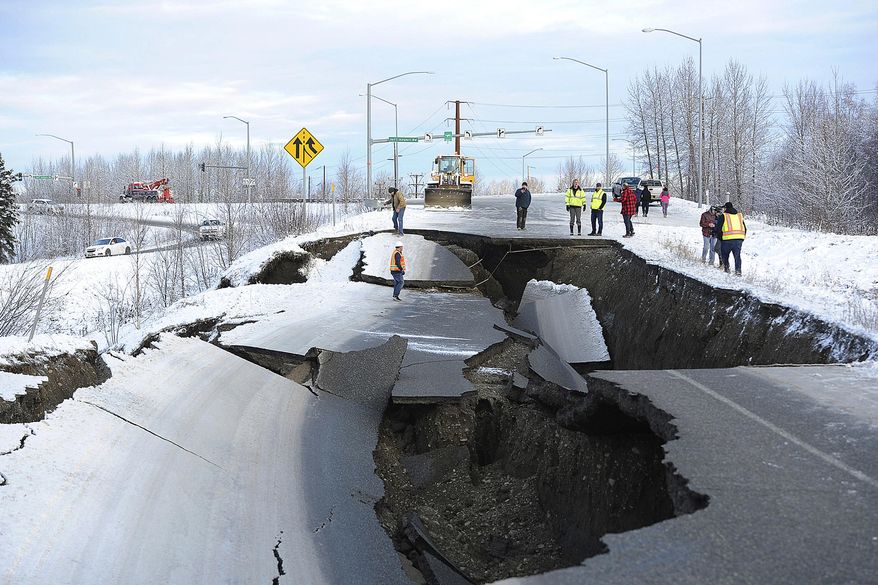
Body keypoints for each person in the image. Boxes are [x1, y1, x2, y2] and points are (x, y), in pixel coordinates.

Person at [716, 201, 747, 275]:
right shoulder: (739, 216)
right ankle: (738, 271)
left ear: (726, 208)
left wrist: (720, 238)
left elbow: (718, 228)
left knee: (725, 255)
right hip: (739, 239)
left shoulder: (724, 216)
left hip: (727, 239)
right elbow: (745, 228)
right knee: (737, 256)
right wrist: (742, 238)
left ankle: (727, 269)